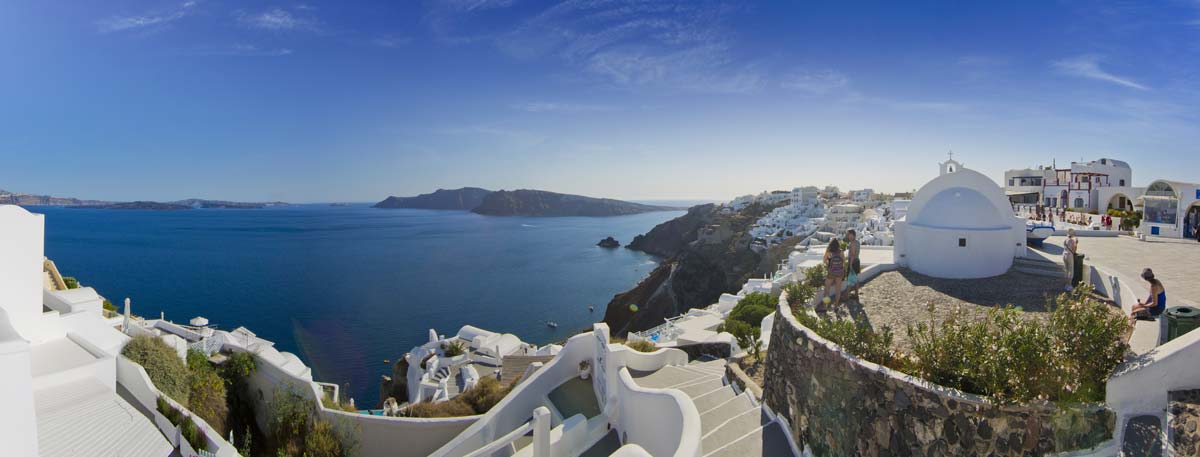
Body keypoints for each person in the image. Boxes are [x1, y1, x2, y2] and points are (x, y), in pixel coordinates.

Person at [822, 238, 846, 310]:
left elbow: (824, 261)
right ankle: (836, 306)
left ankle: (825, 306)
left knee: (827, 290)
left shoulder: (828, 251)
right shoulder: (841, 251)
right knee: (838, 290)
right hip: (839, 273)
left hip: (831, 273)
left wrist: (828, 264)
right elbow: (844, 262)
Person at [845, 229, 861, 300]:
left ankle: (846, 296)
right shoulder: (857, 242)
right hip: (857, 261)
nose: (848, 236)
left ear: (853, 235)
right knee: (855, 279)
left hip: (853, 262)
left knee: (850, 280)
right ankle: (856, 294)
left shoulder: (852, 243)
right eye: (848, 235)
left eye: (849, 235)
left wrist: (850, 265)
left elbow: (852, 255)